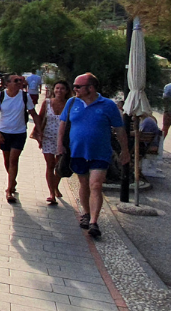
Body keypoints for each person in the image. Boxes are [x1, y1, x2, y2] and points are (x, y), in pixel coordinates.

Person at [57, 73, 130, 239]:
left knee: (95, 185)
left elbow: (119, 130)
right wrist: (59, 144)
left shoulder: (108, 105)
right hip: (78, 151)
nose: (74, 89)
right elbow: (63, 124)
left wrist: (125, 151)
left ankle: (94, 222)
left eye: (78, 86)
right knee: (84, 184)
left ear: (90, 88)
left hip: (100, 152)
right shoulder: (72, 102)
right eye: (74, 86)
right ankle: (87, 213)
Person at [0, 73, 42, 203]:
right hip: (4, 132)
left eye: (20, 81)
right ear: (7, 84)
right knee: (7, 160)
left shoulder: (25, 97)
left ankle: (9, 190)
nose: (20, 83)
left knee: (14, 160)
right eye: (16, 81)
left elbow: (33, 114)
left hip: (19, 133)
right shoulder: (0, 96)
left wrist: (40, 130)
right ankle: (12, 180)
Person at [32, 80, 70, 205]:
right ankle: (52, 193)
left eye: (62, 88)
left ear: (66, 91)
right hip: (48, 137)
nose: (59, 91)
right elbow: (41, 118)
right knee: (50, 165)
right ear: (54, 90)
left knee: (59, 166)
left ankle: (55, 186)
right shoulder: (47, 103)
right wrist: (38, 135)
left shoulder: (70, 104)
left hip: (64, 140)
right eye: (57, 88)